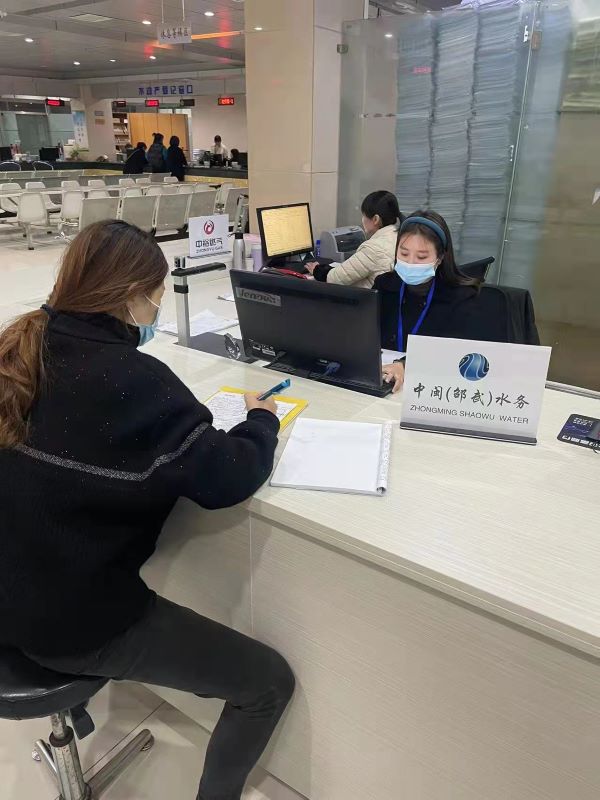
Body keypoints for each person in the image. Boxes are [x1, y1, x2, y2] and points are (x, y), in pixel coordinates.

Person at [0, 221, 294, 800]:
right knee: (267, 683)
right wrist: (262, 420)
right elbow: (228, 476)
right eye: (156, 295)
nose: (155, 308)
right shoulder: (133, 380)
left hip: (10, 592)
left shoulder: (22, 347)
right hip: (67, 621)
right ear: (133, 296)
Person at [378, 210, 538, 393]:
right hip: (388, 381)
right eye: (404, 253)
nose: (411, 263)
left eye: (421, 257)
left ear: (440, 258)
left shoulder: (462, 297)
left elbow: (453, 353)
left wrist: (405, 365)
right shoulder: (384, 285)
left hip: (434, 388)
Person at [306, 190, 403, 289]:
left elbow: (335, 279)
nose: (362, 219)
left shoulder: (374, 248)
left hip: (363, 298)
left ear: (375, 219)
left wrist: (317, 270)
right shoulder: (399, 236)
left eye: (364, 215)